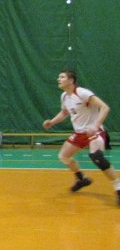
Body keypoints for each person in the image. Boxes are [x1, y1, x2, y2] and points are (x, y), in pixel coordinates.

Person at [42, 69, 120, 205]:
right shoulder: (64, 96)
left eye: (62, 77)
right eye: (59, 77)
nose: (58, 79)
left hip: (94, 132)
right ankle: (81, 178)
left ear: (71, 80)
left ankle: (118, 186)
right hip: (79, 133)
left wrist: (95, 126)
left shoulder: (82, 93)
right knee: (63, 156)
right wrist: (52, 122)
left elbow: (105, 107)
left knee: (97, 157)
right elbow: (65, 112)